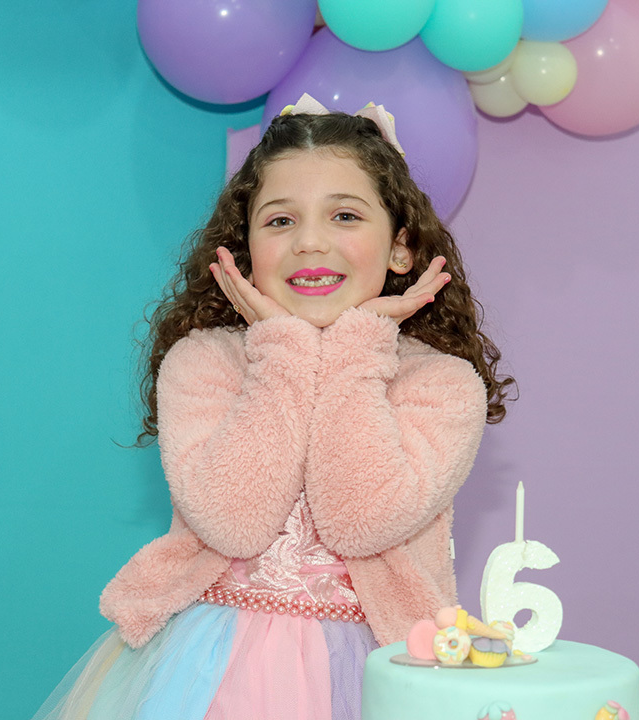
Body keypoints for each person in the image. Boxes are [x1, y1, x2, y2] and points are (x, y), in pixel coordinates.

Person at [31, 95, 514, 720]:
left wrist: (358, 347)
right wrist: (282, 349)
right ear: (245, 250)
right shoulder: (205, 361)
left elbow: (362, 520)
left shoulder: (441, 383)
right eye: (280, 221)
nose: (309, 242)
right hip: (208, 670)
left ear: (401, 248)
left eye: (345, 215)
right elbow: (233, 524)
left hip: (374, 670)